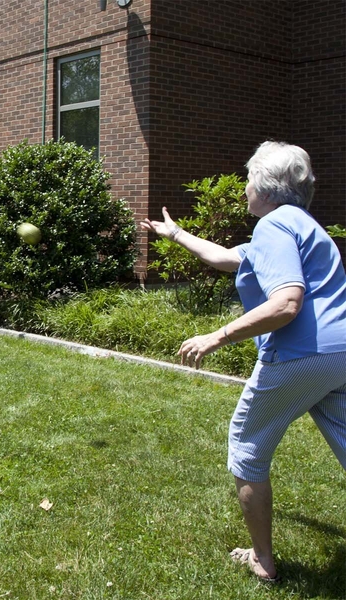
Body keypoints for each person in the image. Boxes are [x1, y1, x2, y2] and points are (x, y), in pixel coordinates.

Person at [141, 141, 346, 584]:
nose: (244, 190)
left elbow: (287, 303)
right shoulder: (302, 227)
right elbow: (227, 258)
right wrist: (174, 234)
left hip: (298, 356)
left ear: (267, 189)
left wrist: (218, 335)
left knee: (248, 446)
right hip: (340, 356)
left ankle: (263, 561)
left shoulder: (274, 227)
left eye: (249, 181)